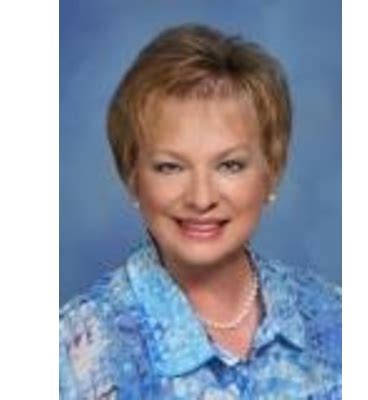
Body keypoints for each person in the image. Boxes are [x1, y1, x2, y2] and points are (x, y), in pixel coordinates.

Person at [60, 23, 341, 399]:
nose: (201, 198)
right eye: (170, 167)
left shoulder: (336, 319)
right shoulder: (73, 353)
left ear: (271, 173)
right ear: (132, 177)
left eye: (230, 165)